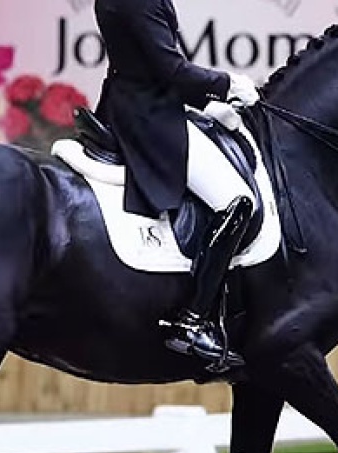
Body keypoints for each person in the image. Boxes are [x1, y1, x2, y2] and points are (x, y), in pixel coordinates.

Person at [93, 0, 261, 371]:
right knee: (236, 202)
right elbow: (171, 69)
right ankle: (192, 321)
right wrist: (228, 84)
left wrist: (205, 102)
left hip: (136, 102)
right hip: (148, 116)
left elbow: (149, 63)